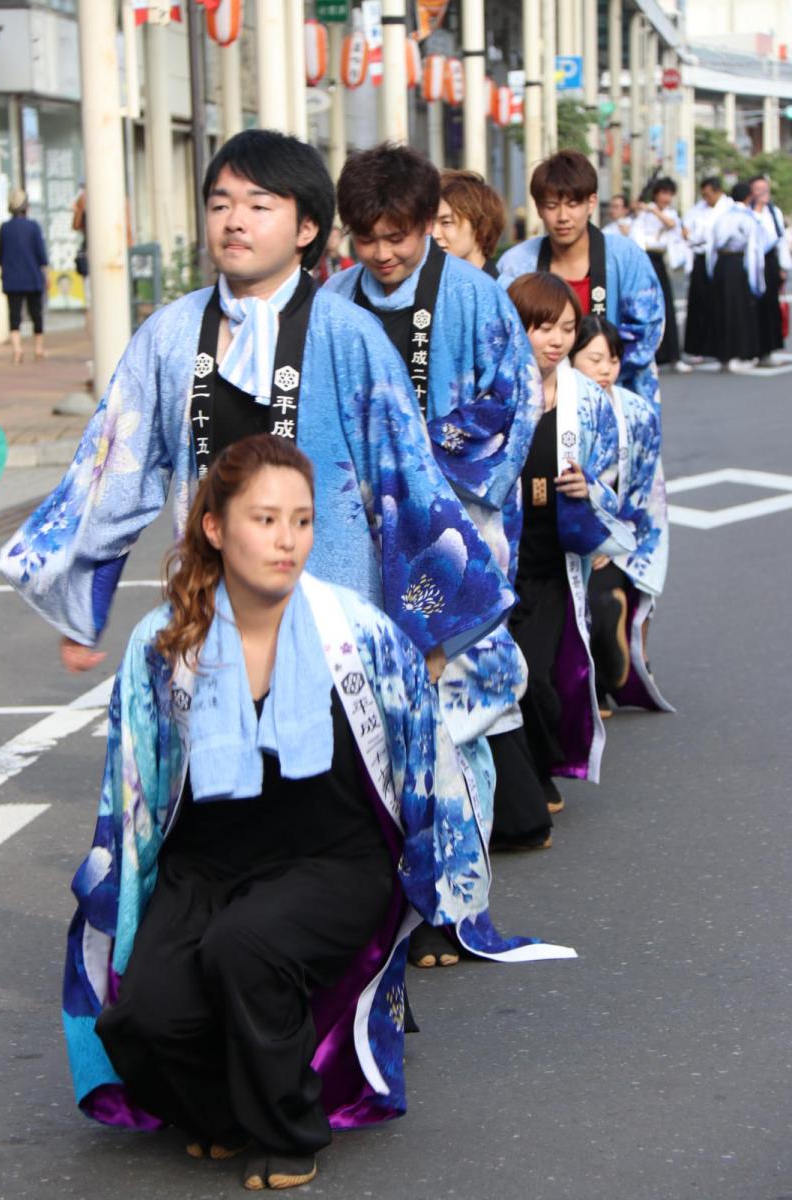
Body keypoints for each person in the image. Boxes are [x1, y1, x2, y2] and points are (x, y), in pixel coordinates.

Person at [63, 435, 574, 1191]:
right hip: (206, 866)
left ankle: (288, 1126)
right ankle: (224, 1112)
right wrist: (122, 899)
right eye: (264, 520)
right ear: (214, 527)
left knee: (244, 947)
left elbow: (424, 753)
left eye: (301, 522)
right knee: (140, 1020)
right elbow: (132, 790)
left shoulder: (356, 631)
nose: (286, 540)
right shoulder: (164, 642)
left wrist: (438, 884)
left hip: (333, 862)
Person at [0, 130, 513, 689]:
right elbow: (114, 472)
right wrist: (85, 606)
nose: (234, 220)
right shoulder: (168, 336)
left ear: (307, 228)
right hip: (205, 620)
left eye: (259, 206)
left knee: (323, 773)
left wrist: (428, 634)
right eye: (220, 204)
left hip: (333, 628)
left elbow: (406, 482)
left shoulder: (349, 336)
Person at [327, 143, 552, 901]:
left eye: (399, 235)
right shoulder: (334, 301)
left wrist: (413, 466)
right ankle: (389, 885)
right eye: (367, 238)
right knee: (374, 708)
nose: (383, 254)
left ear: (430, 223)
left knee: (460, 708)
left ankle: (456, 890)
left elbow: (508, 406)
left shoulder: (476, 297)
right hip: (360, 535)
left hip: (457, 529)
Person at [506, 273, 635, 808]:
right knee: (507, 674)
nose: (556, 340)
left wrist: (591, 488)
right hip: (501, 559)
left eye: (565, 328)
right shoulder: (491, 389)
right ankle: (528, 782)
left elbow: (613, 476)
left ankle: (546, 766)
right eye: (542, 327)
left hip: (556, 561)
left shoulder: (588, 400)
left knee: (539, 675)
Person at [498, 150, 665, 411]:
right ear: (539, 208)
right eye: (552, 206)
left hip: (619, 397)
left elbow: (647, 332)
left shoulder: (626, 256)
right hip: (541, 403)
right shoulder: (515, 264)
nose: (563, 217)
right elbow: (504, 337)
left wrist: (591, 370)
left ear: (592, 202)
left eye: (573, 204)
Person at [570, 316, 672, 715]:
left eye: (612, 359)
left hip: (615, 534)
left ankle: (606, 681)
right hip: (561, 534)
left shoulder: (637, 412)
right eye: (594, 358)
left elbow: (642, 490)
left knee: (603, 599)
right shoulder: (554, 405)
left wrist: (608, 541)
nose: (605, 368)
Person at [629, 177, 691, 373]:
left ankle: (673, 356)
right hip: (644, 259)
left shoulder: (667, 212)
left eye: (669, 194)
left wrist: (652, 209)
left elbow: (672, 224)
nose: (666, 198)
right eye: (663, 193)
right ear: (656, 194)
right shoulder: (643, 213)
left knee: (666, 308)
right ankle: (649, 356)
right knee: (644, 307)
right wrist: (638, 210)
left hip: (660, 261)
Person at [708, 182, 765, 373]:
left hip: (720, 266)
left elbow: (712, 247)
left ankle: (724, 355)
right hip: (738, 266)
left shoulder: (721, 216)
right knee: (738, 312)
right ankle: (738, 354)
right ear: (749, 197)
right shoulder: (748, 218)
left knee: (722, 309)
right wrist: (756, 279)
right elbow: (754, 250)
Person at [682, 176, 733, 362]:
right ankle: (698, 347)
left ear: (718, 191)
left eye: (708, 195)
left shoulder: (729, 208)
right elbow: (687, 230)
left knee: (719, 304)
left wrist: (695, 237)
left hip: (720, 260)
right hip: (700, 258)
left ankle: (720, 346)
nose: (706, 199)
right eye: (703, 195)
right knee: (698, 303)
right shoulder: (698, 209)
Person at [0, 188, 48, 364]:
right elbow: (41, 256)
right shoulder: (33, 227)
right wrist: (45, 275)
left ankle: (17, 350)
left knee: (14, 315)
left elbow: (0, 257)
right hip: (32, 277)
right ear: (26, 207)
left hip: (12, 279)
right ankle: (39, 349)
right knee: (36, 314)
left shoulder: (4, 228)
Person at [748, 174, 791, 365]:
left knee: (771, 306)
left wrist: (784, 267)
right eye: (758, 190)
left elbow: (780, 240)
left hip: (770, 262)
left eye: (765, 189)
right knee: (753, 307)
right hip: (752, 262)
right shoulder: (747, 212)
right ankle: (753, 349)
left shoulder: (774, 212)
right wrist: (756, 208)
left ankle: (770, 349)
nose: (763, 193)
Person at [434, 168, 507, 278]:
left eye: (446, 223)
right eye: (429, 223)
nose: (434, 234)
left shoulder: (505, 292)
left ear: (481, 226)